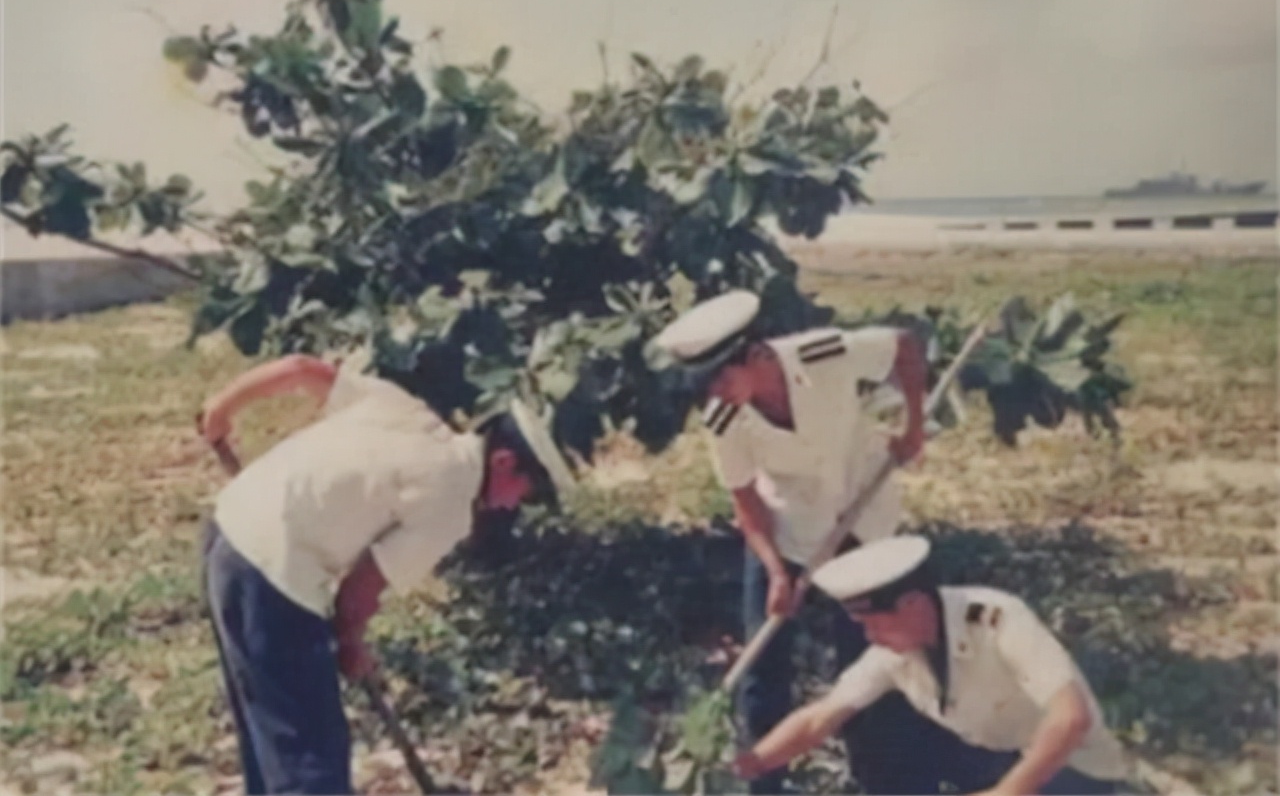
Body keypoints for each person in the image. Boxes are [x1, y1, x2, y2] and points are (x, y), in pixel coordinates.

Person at [196, 353, 577, 794]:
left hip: (227, 533)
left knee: (271, 732)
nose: (513, 507)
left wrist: (221, 408)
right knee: (310, 759)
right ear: (505, 462)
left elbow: (303, 369)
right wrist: (352, 643)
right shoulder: (451, 503)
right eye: (525, 494)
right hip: (272, 572)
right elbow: (360, 591)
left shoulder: (407, 411)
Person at [653, 290, 940, 794]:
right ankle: (764, 783)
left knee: (870, 655)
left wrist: (911, 425)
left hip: (863, 519)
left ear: (757, 354)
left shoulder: (823, 355)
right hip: (787, 532)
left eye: (723, 377)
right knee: (763, 670)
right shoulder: (723, 420)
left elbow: (905, 346)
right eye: (706, 385)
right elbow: (745, 501)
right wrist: (776, 570)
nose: (716, 393)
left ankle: (881, 779)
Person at [732, 536, 1130, 795]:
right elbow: (820, 718)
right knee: (875, 719)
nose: (869, 636)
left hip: (1071, 771)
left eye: (873, 622)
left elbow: (1071, 719)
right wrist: (755, 762)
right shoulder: (895, 650)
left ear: (912, 605)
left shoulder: (997, 619)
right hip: (990, 757)